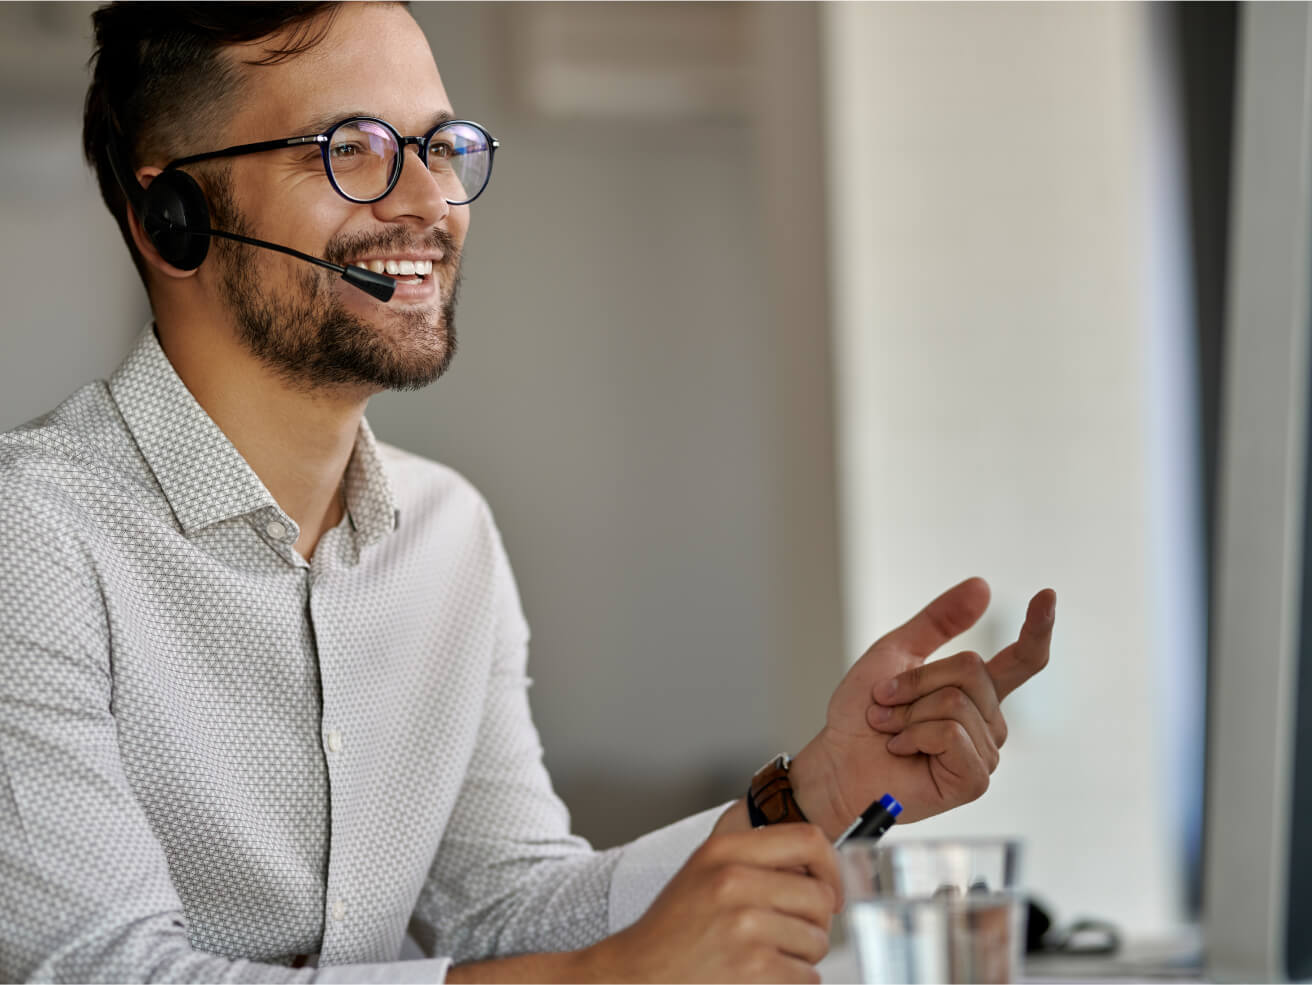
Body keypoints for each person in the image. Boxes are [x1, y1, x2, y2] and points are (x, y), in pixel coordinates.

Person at [0, 3, 1056, 982]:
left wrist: (819, 788)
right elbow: (106, 973)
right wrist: (601, 981)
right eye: (351, 151)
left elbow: (509, 914)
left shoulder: (448, 535)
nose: (428, 204)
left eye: (442, 148)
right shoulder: (34, 537)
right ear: (170, 216)